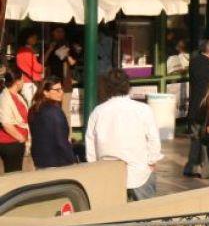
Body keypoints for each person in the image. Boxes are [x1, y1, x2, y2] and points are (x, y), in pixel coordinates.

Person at [85, 69, 163, 199]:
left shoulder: (97, 112)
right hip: (140, 171)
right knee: (147, 215)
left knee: (113, 216)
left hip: (107, 174)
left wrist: (94, 166)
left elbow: (90, 144)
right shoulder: (143, 109)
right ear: (128, 86)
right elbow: (154, 139)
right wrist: (151, 162)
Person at [183, 38, 209, 179]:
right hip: (207, 108)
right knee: (205, 139)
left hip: (194, 107)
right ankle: (205, 170)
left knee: (195, 139)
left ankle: (191, 167)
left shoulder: (194, 62)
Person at [28, 78, 75, 169]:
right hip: (57, 161)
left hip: (39, 160)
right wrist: (71, 160)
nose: (61, 92)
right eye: (57, 90)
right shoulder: (54, 111)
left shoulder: (33, 109)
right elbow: (61, 140)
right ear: (45, 92)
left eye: (61, 89)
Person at [0, 72, 30, 173]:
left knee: (16, 172)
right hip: (10, 143)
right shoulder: (5, 98)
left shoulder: (17, 95)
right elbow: (6, 123)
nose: (24, 81)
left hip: (15, 142)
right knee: (14, 175)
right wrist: (20, 138)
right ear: (17, 82)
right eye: (22, 79)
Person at [14, 31, 43, 102]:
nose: (34, 39)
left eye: (35, 37)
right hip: (30, 82)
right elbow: (37, 68)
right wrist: (42, 67)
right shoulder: (26, 51)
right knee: (31, 106)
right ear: (25, 38)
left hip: (26, 81)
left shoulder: (22, 50)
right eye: (32, 37)